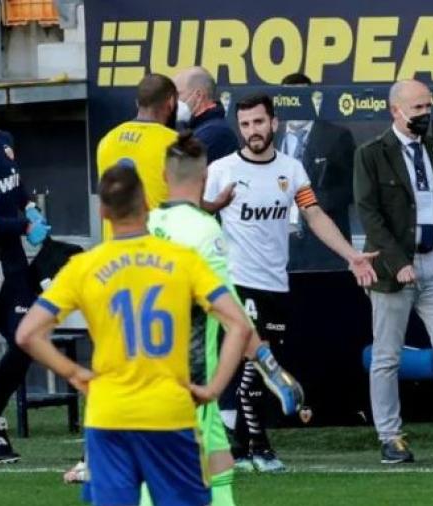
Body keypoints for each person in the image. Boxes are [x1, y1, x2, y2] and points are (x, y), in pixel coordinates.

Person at [15, 163, 252, 506]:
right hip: (169, 411)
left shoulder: (85, 266)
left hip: (109, 412)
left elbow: (27, 334)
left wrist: (75, 373)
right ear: (145, 204)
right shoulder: (182, 259)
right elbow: (240, 324)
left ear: (103, 211)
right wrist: (213, 389)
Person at [204, 92, 377, 471]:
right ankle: (261, 448)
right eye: (246, 124)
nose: (253, 131)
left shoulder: (291, 169)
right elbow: (195, 214)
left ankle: (243, 449)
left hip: (276, 284)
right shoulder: (221, 170)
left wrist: (350, 255)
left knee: (261, 365)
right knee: (257, 362)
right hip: (237, 282)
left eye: (259, 123)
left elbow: (313, 215)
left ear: (274, 123)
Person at [142, 132, 308, 504]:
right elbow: (233, 316)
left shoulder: (145, 226)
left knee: (217, 465)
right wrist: (270, 367)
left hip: (141, 372)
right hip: (188, 379)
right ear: (203, 179)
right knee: (174, 475)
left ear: (165, 177)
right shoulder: (204, 232)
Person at [355, 79, 433, 465]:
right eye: (417, 109)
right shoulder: (371, 154)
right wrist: (399, 262)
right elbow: (370, 214)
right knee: (387, 356)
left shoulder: (431, 145)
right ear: (395, 110)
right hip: (394, 269)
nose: (424, 114)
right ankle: (390, 436)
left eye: (428, 107)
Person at [96, 73, 234, 239]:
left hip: (114, 251)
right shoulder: (175, 143)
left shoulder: (107, 140)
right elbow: (190, 204)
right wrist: (218, 204)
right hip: (158, 252)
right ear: (171, 102)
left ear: (137, 103)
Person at [0, 101, 50, 463]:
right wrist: (25, 226)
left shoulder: (4, 140)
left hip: (11, 262)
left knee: (29, 337)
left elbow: (15, 184)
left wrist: (28, 206)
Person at [279, 72, 357, 272]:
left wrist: (309, 204)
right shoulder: (269, 138)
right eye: (291, 99)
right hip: (279, 248)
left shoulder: (336, 137)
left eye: (301, 98)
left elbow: (351, 189)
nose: (296, 104)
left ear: (312, 99)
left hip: (324, 249)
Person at [174, 66, 239, 165]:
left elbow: (181, 170)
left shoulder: (217, 133)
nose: (173, 101)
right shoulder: (192, 128)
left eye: (178, 95)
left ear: (199, 95)